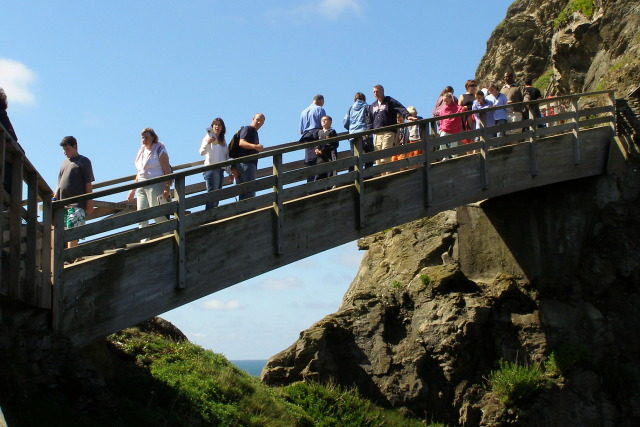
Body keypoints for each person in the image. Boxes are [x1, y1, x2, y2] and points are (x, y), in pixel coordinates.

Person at [54, 136, 94, 249]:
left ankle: (71, 258)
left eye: (67, 149)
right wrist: (54, 198)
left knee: (73, 232)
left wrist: (89, 201)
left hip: (77, 204)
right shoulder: (63, 164)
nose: (64, 152)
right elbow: (59, 183)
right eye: (63, 149)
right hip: (63, 203)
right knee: (63, 233)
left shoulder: (84, 161)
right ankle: (67, 259)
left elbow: (88, 183)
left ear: (75, 146)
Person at [127, 128, 172, 228]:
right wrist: (132, 190)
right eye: (142, 137)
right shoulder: (141, 151)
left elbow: (167, 170)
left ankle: (167, 234)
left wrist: (166, 188)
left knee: (157, 212)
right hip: (141, 184)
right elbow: (140, 172)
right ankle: (144, 239)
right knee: (141, 213)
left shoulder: (159, 149)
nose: (144, 139)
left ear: (153, 138)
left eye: (146, 137)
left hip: (155, 183)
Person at [369, 84, 414, 165]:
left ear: (382, 91)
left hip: (388, 131)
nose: (375, 93)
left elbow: (400, 108)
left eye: (377, 91)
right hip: (377, 133)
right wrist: (368, 131)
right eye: (374, 92)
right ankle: (383, 176)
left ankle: (388, 173)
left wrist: (407, 116)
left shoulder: (389, 101)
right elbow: (370, 120)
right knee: (378, 158)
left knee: (385, 154)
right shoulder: (373, 105)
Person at [199, 117, 231, 210]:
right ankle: (208, 218)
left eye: (219, 125)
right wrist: (208, 143)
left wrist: (229, 172)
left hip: (221, 170)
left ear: (222, 127)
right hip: (211, 169)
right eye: (215, 125)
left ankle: (212, 216)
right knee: (212, 194)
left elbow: (226, 157)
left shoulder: (223, 140)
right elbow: (201, 152)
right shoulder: (208, 137)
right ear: (212, 126)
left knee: (217, 195)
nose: (217, 127)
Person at [233, 113, 265, 200]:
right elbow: (241, 142)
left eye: (261, 121)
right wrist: (255, 146)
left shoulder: (254, 132)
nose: (259, 122)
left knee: (245, 192)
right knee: (249, 191)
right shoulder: (248, 129)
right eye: (257, 119)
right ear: (252, 119)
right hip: (246, 164)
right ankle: (248, 211)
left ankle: (244, 211)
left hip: (246, 164)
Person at [343, 92, 373, 169]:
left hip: (353, 135)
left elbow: (345, 123)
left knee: (354, 156)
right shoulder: (367, 107)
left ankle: (353, 175)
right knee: (369, 154)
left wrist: (351, 129)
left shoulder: (350, 108)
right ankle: (368, 173)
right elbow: (370, 120)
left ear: (355, 99)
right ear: (364, 99)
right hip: (365, 133)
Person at [300, 95, 326, 173]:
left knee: (309, 161)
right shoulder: (320, 109)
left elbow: (301, 131)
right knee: (320, 158)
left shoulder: (303, 111)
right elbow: (324, 125)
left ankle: (310, 181)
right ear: (321, 101)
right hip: (317, 134)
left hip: (306, 137)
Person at [313, 115, 338, 181]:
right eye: (322, 120)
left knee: (330, 171)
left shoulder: (332, 131)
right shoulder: (319, 132)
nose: (323, 121)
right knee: (319, 172)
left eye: (325, 119)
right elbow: (317, 143)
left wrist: (323, 150)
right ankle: (318, 188)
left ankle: (330, 187)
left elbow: (335, 144)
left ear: (330, 122)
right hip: (320, 156)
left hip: (329, 155)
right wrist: (316, 149)